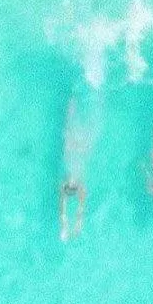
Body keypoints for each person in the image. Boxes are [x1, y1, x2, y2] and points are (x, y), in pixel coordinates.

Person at [59, 98, 91, 241]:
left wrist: (67, 228)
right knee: (74, 126)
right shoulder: (78, 187)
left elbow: (64, 210)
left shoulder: (69, 187)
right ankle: (73, 103)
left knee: (72, 125)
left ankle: (72, 103)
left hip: (75, 148)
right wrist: (75, 225)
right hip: (76, 148)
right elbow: (76, 210)